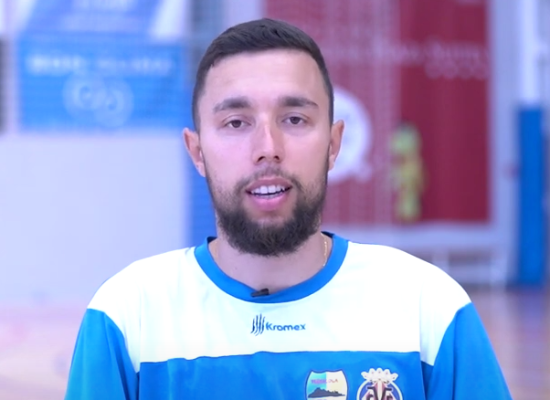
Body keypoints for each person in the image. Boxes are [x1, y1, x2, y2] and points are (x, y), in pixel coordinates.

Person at [64, 18, 512, 400]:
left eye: (294, 119)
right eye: (236, 122)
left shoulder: (428, 308)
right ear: (197, 152)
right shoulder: (128, 316)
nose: (268, 148)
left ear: (333, 144)